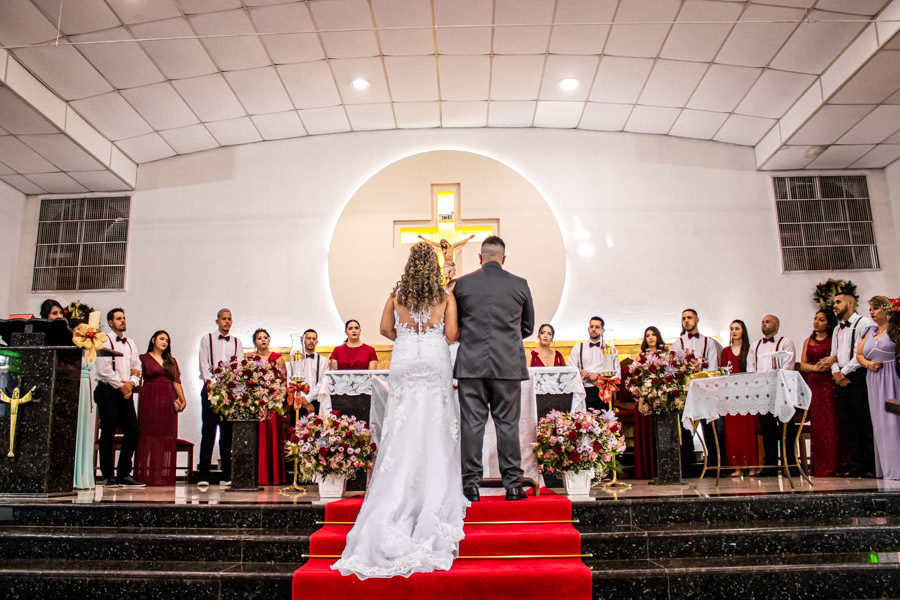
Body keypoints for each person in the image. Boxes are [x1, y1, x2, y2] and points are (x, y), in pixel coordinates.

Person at [332, 240, 464, 579]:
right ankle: (430, 501)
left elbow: (384, 330)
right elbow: (451, 335)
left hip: (404, 363)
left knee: (403, 431)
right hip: (434, 363)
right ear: (433, 266)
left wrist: (408, 337)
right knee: (434, 431)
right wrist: (432, 334)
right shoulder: (445, 297)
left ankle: (395, 498)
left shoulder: (397, 295)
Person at [453, 235, 535, 502]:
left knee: (472, 425)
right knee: (507, 425)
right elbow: (527, 327)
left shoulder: (462, 285)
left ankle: (471, 486)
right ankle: (512, 486)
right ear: (504, 259)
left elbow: (453, 326)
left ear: (480, 257)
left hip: (471, 366)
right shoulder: (520, 284)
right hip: (507, 365)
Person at [821, 292, 876, 477]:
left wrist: (843, 372)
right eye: (834, 303)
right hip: (840, 377)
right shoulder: (837, 329)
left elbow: (863, 353)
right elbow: (833, 354)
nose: (834, 306)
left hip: (858, 375)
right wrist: (836, 371)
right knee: (848, 423)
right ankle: (856, 465)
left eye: (838, 302)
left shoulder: (865, 323)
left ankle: (872, 465)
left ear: (850, 303)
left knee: (864, 421)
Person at [94, 308, 144, 487]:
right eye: (118, 318)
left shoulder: (130, 343)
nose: (123, 321)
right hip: (108, 390)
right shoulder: (103, 340)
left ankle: (124, 473)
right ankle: (107, 475)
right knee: (107, 431)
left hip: (126, 391)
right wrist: (122, 385)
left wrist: (131, 382)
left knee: (133, 430)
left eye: (124, 318)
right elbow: (103, 369)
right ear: (110, 322)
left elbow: (136, 366)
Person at [198, 308, 244, 490]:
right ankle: (204, 474)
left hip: (229, 392)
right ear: (217, 321)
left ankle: (227, 474)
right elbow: (204, 363)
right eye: (224, 319)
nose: (227, 322)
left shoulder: (237, 342)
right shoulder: (206, 339)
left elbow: (238, 365)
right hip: (211, 390)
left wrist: (230, 387)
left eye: (229, 319)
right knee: (208, 432)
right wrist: (214, 385)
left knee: (227, 435)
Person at [672, 309, 721, 475]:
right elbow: (674, 366)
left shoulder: (709, 342)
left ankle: (714, 465)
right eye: (684, 318)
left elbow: (713, 367)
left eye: (689, 318)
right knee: (686, 428)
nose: (686, 321)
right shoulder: (678, 343)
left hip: (705, 389)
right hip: (687, 390)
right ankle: (688, 465)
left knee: (709, 426)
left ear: (697, 319)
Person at [747, 314, 797, 476]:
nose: (764, 324)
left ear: (777, 325)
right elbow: (751, 368)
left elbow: (787, 366)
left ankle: (790, 464)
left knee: (786, 429)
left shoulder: (786, 342)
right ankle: (770, 466)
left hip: (782, 392)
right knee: (768, 430)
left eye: (768, 322)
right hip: (763, 393)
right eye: (762, 322)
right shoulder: (755, 345)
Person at [135, 330, 187, 486]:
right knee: (148, 435)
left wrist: (183, 400)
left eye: (167, 340)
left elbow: (176, 382)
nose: (164, 342)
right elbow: (137, 379)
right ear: (153, 340)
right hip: (150, 398)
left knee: (165, 436)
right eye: (161, 339)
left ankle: (161, 476)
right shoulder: (143, 358)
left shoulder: (172, 361)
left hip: (167, 399)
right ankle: (146, 475)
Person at [857, 296, 900, 480]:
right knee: (880, 424)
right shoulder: (869, 331)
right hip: (874, 378)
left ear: (886, 309)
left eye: (876, 308)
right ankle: (886, 468)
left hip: (892, 377)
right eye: (870, 309)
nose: (872, 312)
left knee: (893, 422)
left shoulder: (895, 330)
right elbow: (859, 353)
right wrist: (867, 364)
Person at [800, 309, 847, 478]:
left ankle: (835, 464)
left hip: (829, 384)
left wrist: (828, 364)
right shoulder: (808, 341)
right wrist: (815, 368)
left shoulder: (833, 339)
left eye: (821, 320)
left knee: (832, 424)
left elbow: (840, 357)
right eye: (815, 319)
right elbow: (803, 364)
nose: (816, 322)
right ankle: (820, 466)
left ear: (828, 323)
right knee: (818, 426)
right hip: (814, 385)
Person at [721, 320, 759, 477]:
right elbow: (723, 372)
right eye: (731, 329)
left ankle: (752, 465)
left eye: (737, 328)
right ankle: (737, 466)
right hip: (731, 395)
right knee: (733, 432)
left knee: (747, 431)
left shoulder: (750, 350)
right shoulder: (725, 351)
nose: (734, 331)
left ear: (743, 331)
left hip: (746, 395)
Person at [253, 328, 288, 486]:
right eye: (259, 338)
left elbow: (284, 380)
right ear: (255, 342)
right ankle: (259, 476)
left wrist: (279, 394)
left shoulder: (278, 358)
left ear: (269, 340)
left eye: (265, 337)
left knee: (274, 436)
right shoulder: (251, 359)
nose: (263, 340)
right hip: (258, 404)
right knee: (259, 438)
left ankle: (275, 476)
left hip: (273, 403)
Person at [67, 315, 96, 490]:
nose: (83, 331)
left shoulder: (88, 348)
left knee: (85, 428)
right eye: (80, 328)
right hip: (73, 385)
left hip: (86, 387)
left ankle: (83, 476)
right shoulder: (69, 348)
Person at [567, 317, 621, 411]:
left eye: (597, 327)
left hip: (604, 391)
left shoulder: (610, 350)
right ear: (588, 329)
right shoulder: (578, 348)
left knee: (606, 422)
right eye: (591, 326)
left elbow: (617, 374)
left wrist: (597, 376)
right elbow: (570, 371)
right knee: (585, 422)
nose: (593, 329)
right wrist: (580, 373)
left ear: (602, 330)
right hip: (584, 391)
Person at [294, 328, 329, 415]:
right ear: (303, 340)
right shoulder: (295, 359)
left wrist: (308, 399)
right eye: (308, 338)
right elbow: (291, 381)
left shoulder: (323, 361)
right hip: (298, 400)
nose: (311, 341)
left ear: (317, 342)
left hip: (316, 401)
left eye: (314, 339)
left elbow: (323, 382)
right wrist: (302, 399)